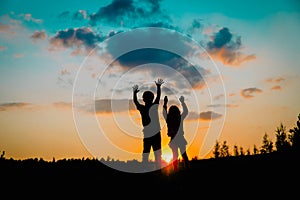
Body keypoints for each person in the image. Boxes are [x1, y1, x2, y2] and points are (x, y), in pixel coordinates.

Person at [132, 78, 164, 169]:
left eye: (144, 97)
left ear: (144, 99)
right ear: (151, 98)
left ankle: (145, 169)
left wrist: (134, 93)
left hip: (149, 133)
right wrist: (158, 87)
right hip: (154, 133)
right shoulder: (153, 106)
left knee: (147, 153)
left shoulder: (144, 108)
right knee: (156, 153)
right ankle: (157, 169)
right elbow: (158, 97)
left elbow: (135, 101)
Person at [163, 95, 189, 171]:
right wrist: (183, 102)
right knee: (183, 154)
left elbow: (164, 113)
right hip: (179, 138)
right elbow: (186, 112)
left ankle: (176, 169)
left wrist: (165, 103)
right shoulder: (179, 118)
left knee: (175, 155)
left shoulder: (169, 118)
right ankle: (185, 168)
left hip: (174, 138)